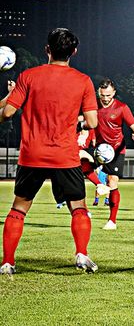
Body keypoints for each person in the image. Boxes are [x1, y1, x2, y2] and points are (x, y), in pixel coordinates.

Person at [0, 28, 99, 276]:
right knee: (78, 207)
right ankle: (81, 254)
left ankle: (8, 262)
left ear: (47, 49)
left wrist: (10, 97)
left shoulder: (28, 76)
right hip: (64, 155)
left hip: (31, 154)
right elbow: (93, 122)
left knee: (18, 209)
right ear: (73, 52)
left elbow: (8, 113)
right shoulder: (83, 80)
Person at [95, 79, 134, 230]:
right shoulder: (92, 106)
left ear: (114, 93)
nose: (105, 98)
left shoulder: (122, 108)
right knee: (79, 164)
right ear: (98, 92)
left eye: (108, 95)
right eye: (102, 95)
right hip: (98, 149)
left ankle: (112, 221)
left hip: (116, 150)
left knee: (113, 183)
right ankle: (97, 188)